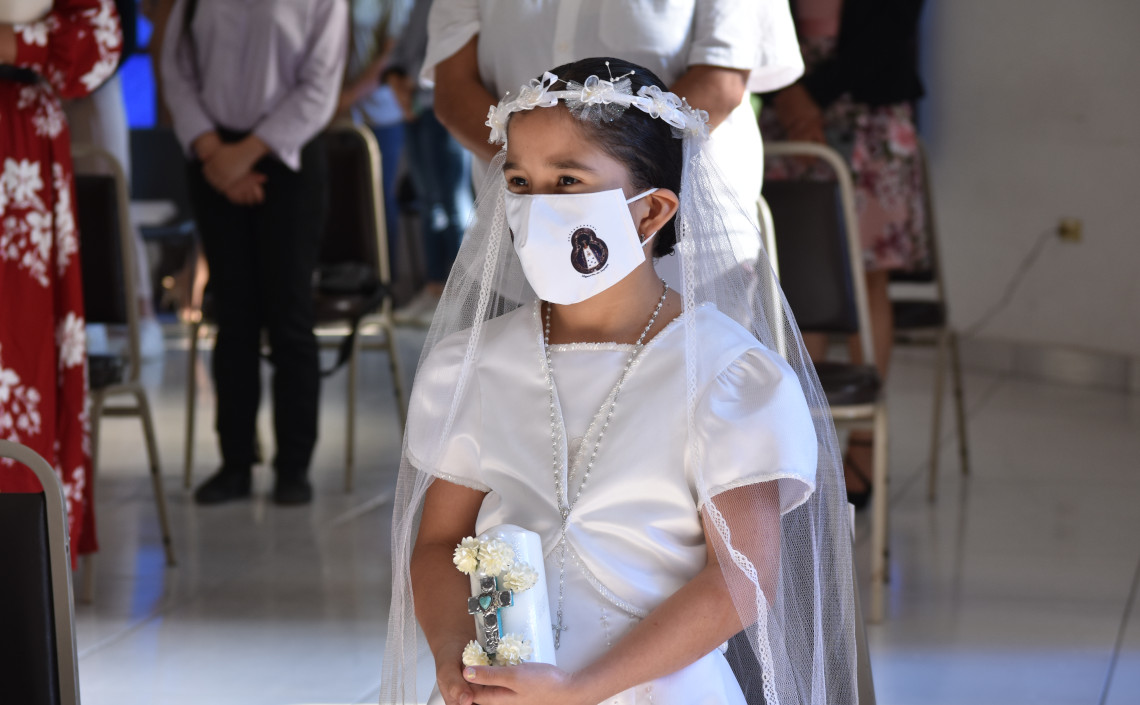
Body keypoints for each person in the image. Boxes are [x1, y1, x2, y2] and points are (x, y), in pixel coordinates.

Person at [380, 57, 856, 705]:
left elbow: (742, 575)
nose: (534, 205)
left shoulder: (722, 372)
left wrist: (580, 688)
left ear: (649, 211)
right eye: (519, 180)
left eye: (567, 181)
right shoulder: (478, 364)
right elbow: (439, 543)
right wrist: (454, 658)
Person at [421, 0, 805, 277]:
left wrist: (606, 187)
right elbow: (454, 93)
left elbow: (719, 83)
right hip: (523, 233)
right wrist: (548, 184)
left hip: (679, 238)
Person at [161, 0, 348, 505]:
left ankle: (294, 467)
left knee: (289, 313)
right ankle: (235, 463)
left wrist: (241, 157)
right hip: (210, 157)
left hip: (287, 160)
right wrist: (212, 151)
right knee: (233, 313)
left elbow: (319, 84)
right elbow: (176, 68)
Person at [760, 0, 927, 507]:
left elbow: (887, 32)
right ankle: (798, 442)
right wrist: (786, 94)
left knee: (868, 275)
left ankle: (863, 442)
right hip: (789, 112)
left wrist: (805, 98)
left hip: (865, 112)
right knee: (797, 280)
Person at [0, 0, 121, 561]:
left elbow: (98, 43)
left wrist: (15, 44)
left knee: (18, 349)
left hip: (16, 138)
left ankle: (22, 559)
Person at [383, 0, 472, 324]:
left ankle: (460, 296)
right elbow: (405, 44)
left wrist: (413, 82)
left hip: (445, 105)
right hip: (416, 108)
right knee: (427, 201)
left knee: (453, 204)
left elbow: (457, 48)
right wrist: (397, 79)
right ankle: (434, 288)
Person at [338, 0, 411, 268]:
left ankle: (382, 288)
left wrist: (346, 98)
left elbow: (391, 55)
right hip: (332, 113)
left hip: (378, 113)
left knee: (378, 204)